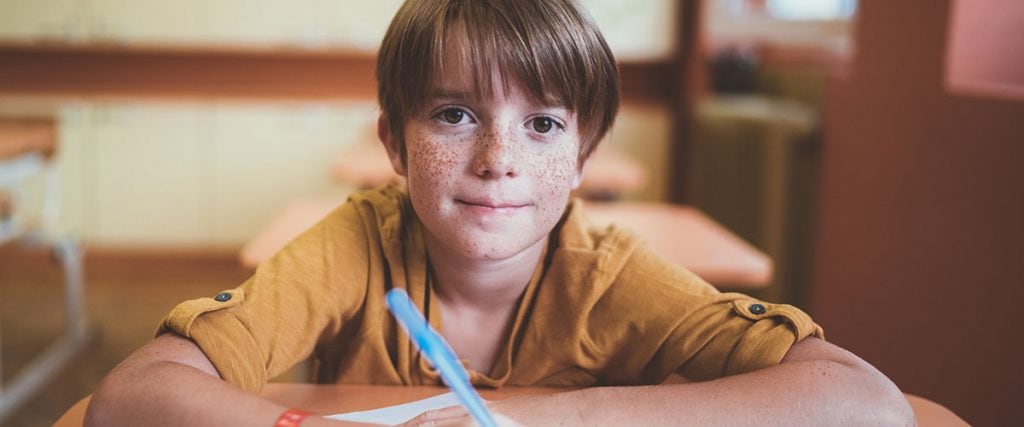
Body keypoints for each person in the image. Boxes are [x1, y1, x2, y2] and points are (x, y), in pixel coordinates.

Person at [85, 0, 914, 425]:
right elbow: (131, 396)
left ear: (584, 158)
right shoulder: (358, 246)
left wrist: (545, 414)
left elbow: (866, 403)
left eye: (544, 123)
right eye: (454, 115)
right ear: (395, 144)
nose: (500, 158)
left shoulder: (608, 274)